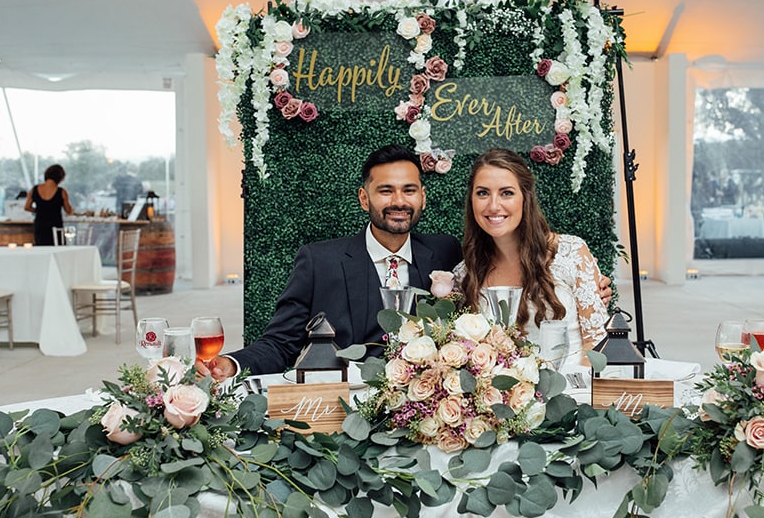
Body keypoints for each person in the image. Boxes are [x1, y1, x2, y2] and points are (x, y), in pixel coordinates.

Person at [204, 145, 463, 380]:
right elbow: (281, 342)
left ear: (423, 197)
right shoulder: (319, 262)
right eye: (386, 191)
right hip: (344, 408)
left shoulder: (445, 252)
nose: (399, 201)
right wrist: (231, 363)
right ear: (364, 198)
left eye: (409, 190)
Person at [454, 148, 609, 365]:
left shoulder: (571, 252)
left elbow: (597, 344)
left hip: (574, 390)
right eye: (482, 193)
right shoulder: (465, 274)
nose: (493, 205)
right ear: (471, 200)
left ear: (525, 198)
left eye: (506, 192)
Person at [25, 164, 74, 246]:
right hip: (56, 226)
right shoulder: (62, 192)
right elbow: (68, 210)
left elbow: (27, 207)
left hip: (40, 225)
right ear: (60, 178)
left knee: (41, 250)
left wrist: (39, 210)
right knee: (58, 250)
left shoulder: (34, 190)